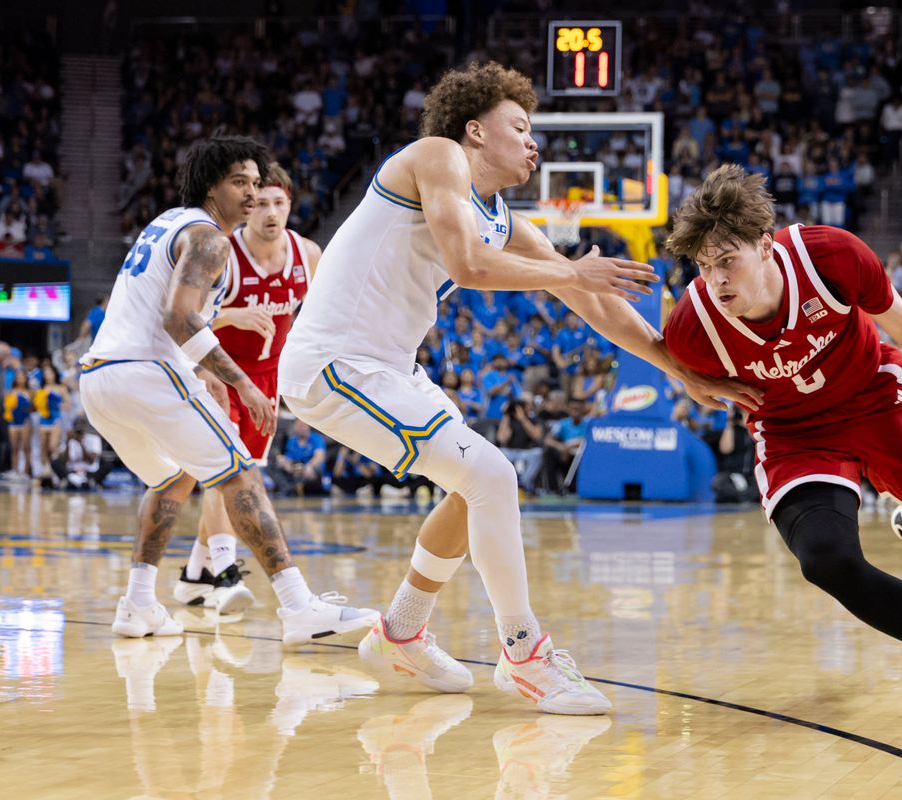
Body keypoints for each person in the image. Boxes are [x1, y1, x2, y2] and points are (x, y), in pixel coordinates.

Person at [278, 63, 752, 714]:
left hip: (388, 367)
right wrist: (573, 271)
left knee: (474, 489)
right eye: (521, 127)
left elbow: (598, 307)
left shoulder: (504, 219)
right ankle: (524, 655)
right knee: (493, 475)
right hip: (334, 363)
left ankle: (401, 632)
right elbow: (466, 266)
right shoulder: (436, 156)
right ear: (475, 131)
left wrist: (681, 369)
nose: (535, 143)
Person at [659, 164, 902, 729]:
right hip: (793, 434)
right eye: (705, 266)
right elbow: (676, 364)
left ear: (766, 246)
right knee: (826, 560)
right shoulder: (696, 324)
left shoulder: (829, 257)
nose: (717, 280)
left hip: (875, 396)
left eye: (728, 260)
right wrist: (695, 382)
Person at [79, 134, 376, 643]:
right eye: (240, 181)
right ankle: (299, 607)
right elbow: (178, 318)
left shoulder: (164, 223)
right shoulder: (211, 238)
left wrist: (204, 374)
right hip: (147, 371)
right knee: (240, 476)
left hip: (100, 378)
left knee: (172, 480)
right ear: (210, 185)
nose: (252, 193)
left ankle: (138, 604)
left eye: (257, 183)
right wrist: (243, 383)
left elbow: (157, 312)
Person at [174, 163, 322, 615]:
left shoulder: (308, 254)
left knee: (232, 477)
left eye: (280, 203)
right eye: (261, 203)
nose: (271, 212)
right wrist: (231, 316)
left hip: (267, 379)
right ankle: (224, 572)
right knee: (227, 476)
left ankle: (194, 574)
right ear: (248, 207)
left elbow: (317, 319)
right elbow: (182, 316)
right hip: (216, 373)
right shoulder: (223, 252)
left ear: (291, 205)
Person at [33, 365, 70, 482]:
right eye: (46, 373)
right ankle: (46, 469)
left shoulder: (61, 388)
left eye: (50, 373)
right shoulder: (41, 388)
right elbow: (36, 406)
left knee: (53, 446)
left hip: (56, 419)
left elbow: (67, 405)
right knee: (43, 447)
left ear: (55, 374)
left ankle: (56, 469)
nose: (48, 375)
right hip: (43, 419)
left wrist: (56, 405)